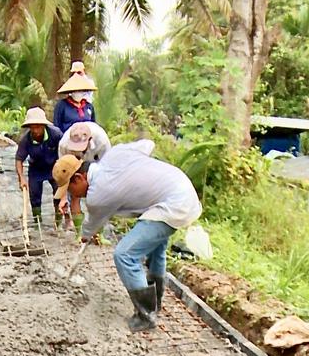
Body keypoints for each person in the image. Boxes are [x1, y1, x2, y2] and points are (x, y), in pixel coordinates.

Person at [52, 141, 202, 332]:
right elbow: (148, 144)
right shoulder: (115, 153)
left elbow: (90, 228)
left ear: (79, 178)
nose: (72, 195)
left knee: (124, 255)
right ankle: (154, 301)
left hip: (173, 204)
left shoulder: (98, 194)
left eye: (70, 190)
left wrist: (85, 235)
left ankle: (146, 316)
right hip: (179, 187)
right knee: (156, 251)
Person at [58, 122, 111, 234]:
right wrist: (63, 198)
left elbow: (107, 167)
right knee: (74, 194)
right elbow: (63, 173)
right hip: (73, 164)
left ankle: (98, 234)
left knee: (99, 197)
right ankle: (79, 233)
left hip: (97, 164)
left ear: (90, 140)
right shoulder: (63, 145)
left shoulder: (102, 141)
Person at [14, 107, 63, 228]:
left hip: (54, 167)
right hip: (36, 169)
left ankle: (59, 222)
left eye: (38, 127)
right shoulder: (25, 140)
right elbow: (19, 159)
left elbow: (64, 152)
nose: (35, 130)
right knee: (34, 194)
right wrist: (21, 178)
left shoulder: (56, 134)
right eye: (32, 127)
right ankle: (38, 223)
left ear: (43, 125)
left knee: (58, 193)